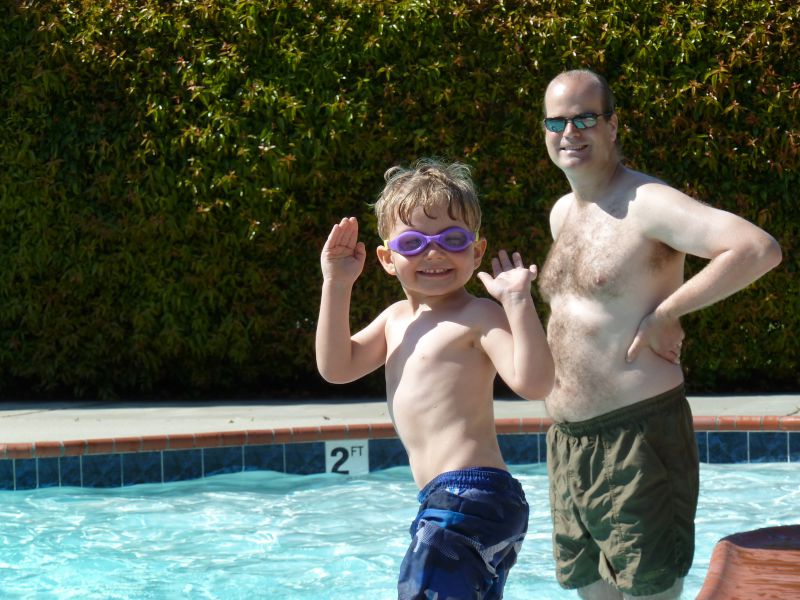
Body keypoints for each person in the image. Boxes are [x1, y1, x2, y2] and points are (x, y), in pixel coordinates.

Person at [537, 69, 782, 600]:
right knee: (592, 593)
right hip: (570, 443)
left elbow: (756, 248)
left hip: (639, 438)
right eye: (557, 122)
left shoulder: (647, 202)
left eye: (585, 118)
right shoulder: (563, 213)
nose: (570, 132)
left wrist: (669, 311)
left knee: (650, 591)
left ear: (612, 126)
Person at [316, 158, 555, 599]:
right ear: (387, 259)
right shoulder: (394, 320)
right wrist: (337, 282)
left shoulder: (479, 315)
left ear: (477, 252)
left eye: (452, 239)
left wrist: (518, 302)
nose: (434, 253)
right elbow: (337, 367)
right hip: (451, 502)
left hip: (469, 495)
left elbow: (535, 383)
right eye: (413, 243)